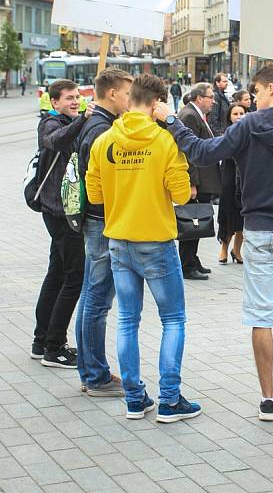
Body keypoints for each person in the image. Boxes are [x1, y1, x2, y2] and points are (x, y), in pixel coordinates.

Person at [157, 63, 273, 421]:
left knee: (261, 315)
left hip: (257, 228)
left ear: (271, 88)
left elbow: (202, 151)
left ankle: (269, 400)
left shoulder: (248, 126)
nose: (253, 96)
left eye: (256, 90)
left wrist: (170, 121)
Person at [85, 73, 200, 423]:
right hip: (156, 241)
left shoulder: (104, 140)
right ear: (156, 104)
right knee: (173, 319)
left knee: (127, 321)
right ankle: (169, 399)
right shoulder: (165, 142)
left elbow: (95, 195)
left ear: (131, 97)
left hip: (119, 240)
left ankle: (135, 398)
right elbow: (182, 195)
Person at [75, 68, 133, 396]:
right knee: (97, 299)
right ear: (112, 94)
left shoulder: (95, 123)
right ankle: (95, 375)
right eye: (127, 93)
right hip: (102, 220)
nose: (129, 100)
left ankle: (90, 370)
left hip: (95, 219)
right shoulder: (101, 129)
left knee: (90, 295)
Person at [32, 79, 95, 368]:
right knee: (74, 276)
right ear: (54, 102)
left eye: (77, 97)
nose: (74, 101)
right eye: (68, 98)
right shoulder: (49, 123)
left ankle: (41, 340)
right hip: (58, 211)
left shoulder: (69, 120)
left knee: (57, 273)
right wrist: (83, 119)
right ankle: (54, 347)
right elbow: (57, 141)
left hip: (63, 210)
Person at [178, 83, 221, 279]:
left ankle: (192, 259)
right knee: (192, 221)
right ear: (199, 98)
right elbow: (189, 152)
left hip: (204, 179)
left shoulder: (195, 114)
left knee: (198, 222)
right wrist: (192, 183)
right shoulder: (189, 115)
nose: (213, 101)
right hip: (198, 180)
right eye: (211, 97)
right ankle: (187, 264)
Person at [218, 103, 246, 264]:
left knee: (242, 219)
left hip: (245, 182)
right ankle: (224, 249)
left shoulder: (250, 133)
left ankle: (237, 250)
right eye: (235, 114)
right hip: (229, 180)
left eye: (241, 113)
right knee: (227, 217)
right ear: (229, 116)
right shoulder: (226, 134)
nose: (238, 116)